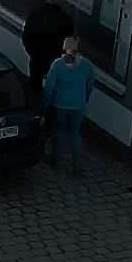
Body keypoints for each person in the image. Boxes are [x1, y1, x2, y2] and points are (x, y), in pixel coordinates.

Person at [42, 34, 96, 173]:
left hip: (60, 105)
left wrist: (46, 104)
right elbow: (89, 85)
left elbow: (49, 87)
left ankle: (55, 160)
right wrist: (84, 99)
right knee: (75, 134)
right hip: (78, 106)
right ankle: (77, 166)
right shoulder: (87, 65)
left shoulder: (58, 65)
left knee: (58, 132)